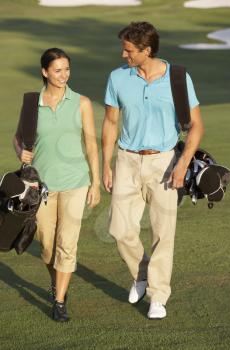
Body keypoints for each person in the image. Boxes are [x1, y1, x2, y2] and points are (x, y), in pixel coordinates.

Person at [102, 22, 204, 319]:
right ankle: (142, 273)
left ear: (146, 50)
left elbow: (197, 125)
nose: (123, 55)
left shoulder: (178, 78)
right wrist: (107, 164)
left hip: (164, 161)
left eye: (129, 50)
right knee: (119, 229)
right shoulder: (117, 78)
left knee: (163, 232)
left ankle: (158, 296)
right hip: (127, 159)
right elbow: (110, 122)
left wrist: (182, 164)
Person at [13, 48, 100, 322]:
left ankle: (59, 301)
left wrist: (95, 183)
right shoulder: (31, 103)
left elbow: (90, 143)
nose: (64, 75)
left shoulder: (82, 102)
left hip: (76, 182)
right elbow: (18, 138)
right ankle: (57, 284)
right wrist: (20, 152)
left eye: (67, 69)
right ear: (45, 72)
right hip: (41, 188)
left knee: (67, 243)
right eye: (58, 70)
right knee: (48, 246)